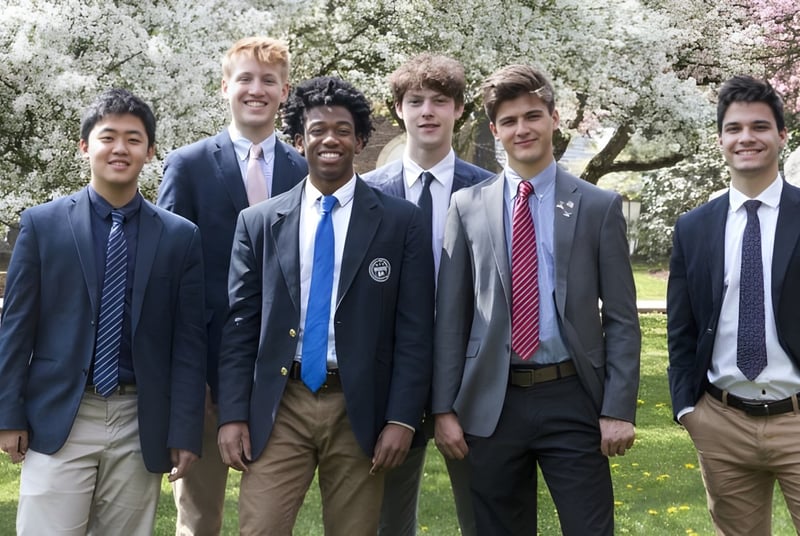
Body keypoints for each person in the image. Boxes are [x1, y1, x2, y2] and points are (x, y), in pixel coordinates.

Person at [216, 76, 434, 535]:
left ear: (359, 140)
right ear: (298, 140)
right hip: (281, 404)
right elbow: (239, 326)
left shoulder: (400, 223)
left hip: (360, 406)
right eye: (317, 130)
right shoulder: (259, 223)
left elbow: (415, 331)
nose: (329, 139)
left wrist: (402, 419)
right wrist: (233, 414)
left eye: (342, 129)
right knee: (259, 527)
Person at [431, 64, 641, 535]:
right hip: (492, 401)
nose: (521, 129)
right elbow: (451, 317)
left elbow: (623, 319)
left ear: (554, 118)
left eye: (532, 116)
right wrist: (444, 409)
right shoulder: (467, 207)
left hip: (573, 395)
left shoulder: (596, 206)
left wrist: (618, 407)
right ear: (494, 130)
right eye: (509, 121)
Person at [0, 88, 206, 535]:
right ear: (85, 146)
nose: (120, 148)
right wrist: (8, 414)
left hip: (140, 417)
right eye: (107, 136)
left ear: (150, 152)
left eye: (133, 139)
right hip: (60, 414)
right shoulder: (42, 225)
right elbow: (16, 329)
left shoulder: (179, 237)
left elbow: (189, 344)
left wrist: (185, 431)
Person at [156, 36, 308, 536]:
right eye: (245, 78)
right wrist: (186, 375)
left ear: (285, 91)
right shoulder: (189, 165)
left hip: (282, 374)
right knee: (199, 517)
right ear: (225, 86)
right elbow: (168, 274)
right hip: (205, 369)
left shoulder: (305, 171)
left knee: (267, 516)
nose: (256, 89)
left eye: (268, 81)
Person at [363, 53, 492, 536]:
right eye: (415, 101)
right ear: (399, 110)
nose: (427, 112)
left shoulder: (488, 191)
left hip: (471, 374)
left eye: (440, 101)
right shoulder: (368, 193)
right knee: (387, 521)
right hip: (391, 372)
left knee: (484, 516)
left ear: (459, 110)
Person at [667, 75, 800, 535]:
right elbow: (681, 328)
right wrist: (687, 408)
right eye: (735, 127)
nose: (747, 138)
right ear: (721, 138)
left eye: (760, 127)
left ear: (782, 135)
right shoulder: (694, 227)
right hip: (721, 422)